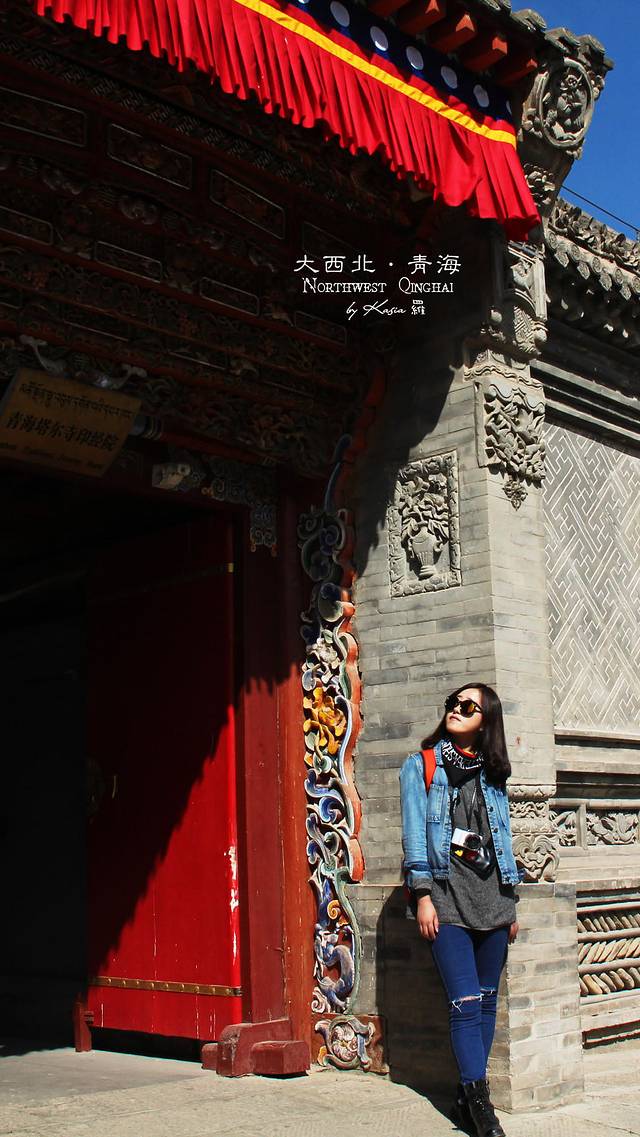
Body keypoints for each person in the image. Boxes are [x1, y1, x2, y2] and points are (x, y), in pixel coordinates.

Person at [400, 683, 521, 1137]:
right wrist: (423, 894)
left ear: (486, 720)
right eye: (454, 702)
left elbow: (502, 840)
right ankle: (480, 1102)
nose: (457, 709)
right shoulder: (422, 765)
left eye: (469, 706)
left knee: (487, 1002)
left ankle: (464, 1097)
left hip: (493, 899)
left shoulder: (493, 772)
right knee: (465, 1002)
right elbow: (415, 835)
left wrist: (511, 903)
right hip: (446, 896)